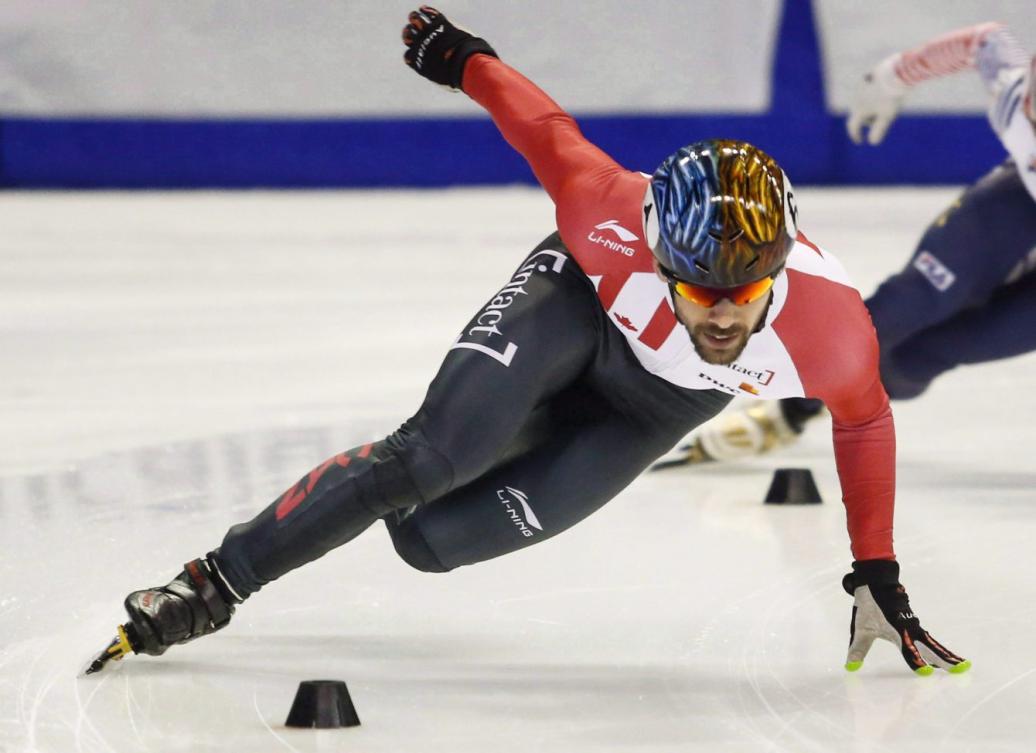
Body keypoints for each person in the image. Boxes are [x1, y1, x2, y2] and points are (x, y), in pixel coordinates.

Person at [86, 7, 968, 678]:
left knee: (429, 541)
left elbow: (864, 425)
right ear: (659, 251)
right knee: (425, 459)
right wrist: (467, 61)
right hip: (574, 306)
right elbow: (548, 135)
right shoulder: (607, 213)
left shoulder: (835, 328)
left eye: (747, 291)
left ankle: (425, 461)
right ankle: (214, 581)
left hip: (659, 404)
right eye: (701, 289)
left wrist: (874, 570)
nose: (726, 316)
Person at [660, 21, 1036, 467]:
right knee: (904, 308)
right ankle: (783, 404)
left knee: (917, 361)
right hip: (1018, 203)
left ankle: (791, 411)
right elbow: (986, 42)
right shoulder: (1015, 100)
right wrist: (893, 77)